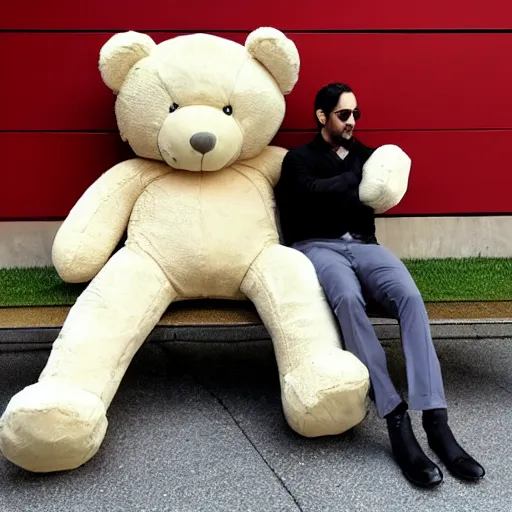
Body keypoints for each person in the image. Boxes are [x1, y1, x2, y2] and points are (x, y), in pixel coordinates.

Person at [274, 82, 485, 488]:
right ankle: (395, 418)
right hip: (318, 246)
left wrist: (355, 180)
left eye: (356, 114)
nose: (352, 121)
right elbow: (309, 195)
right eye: (343, 114)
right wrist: (354, 179)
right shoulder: (298, 159)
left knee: (409, 297)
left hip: (366, 246)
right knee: (348, 299)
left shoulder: (369, 156)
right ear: (322, 116)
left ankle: (436, 420)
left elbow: (378, 193)